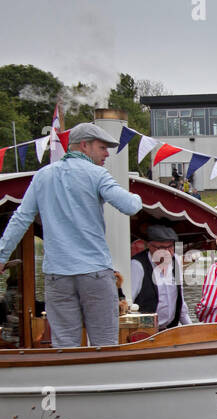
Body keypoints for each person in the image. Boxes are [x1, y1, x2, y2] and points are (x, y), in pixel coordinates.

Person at [0, 122, 143, 347]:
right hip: (94, 271)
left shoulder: (42, 176)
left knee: (65, 344)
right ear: (84, 145)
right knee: (104, 344)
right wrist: (137, 197)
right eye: (102, 147)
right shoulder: (97, 175)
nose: (107, 153)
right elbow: (130, 206)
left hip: (58, 274)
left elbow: (20, 219)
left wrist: (1, 257)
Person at [130, 223, 192, 330]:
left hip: (169, 330)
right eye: (162, 248)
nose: (168, 252)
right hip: (145, 332)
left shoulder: (176, 260)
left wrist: (191, 329)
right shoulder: (137, 265)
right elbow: (128, 303)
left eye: (171, 247)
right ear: (149, 246)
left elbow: (180, 301)